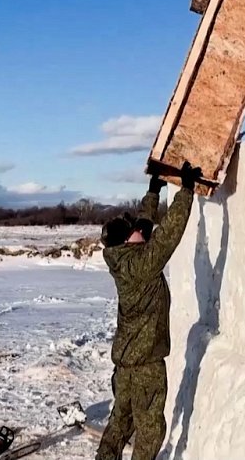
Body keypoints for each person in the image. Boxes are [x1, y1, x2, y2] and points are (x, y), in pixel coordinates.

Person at [95, 161, 202, 460]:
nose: (142, 230)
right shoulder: (141, 265)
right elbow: (169, 234)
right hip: (145, 365)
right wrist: (186, 191)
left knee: (120, 421)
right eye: (135, 231)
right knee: (150, 429)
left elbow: (145, 223)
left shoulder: (121, 257)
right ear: (129, 240)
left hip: (127, 364)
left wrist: (154, 190)